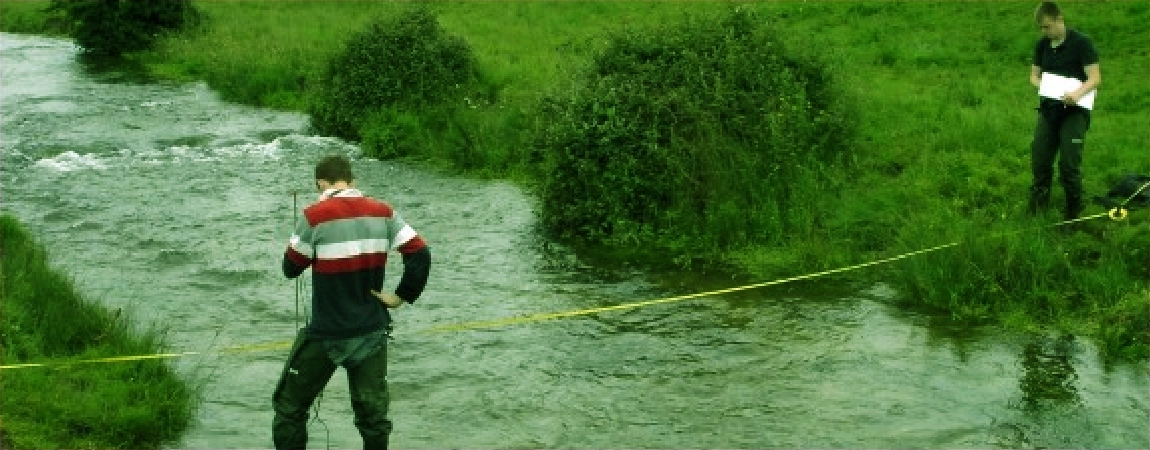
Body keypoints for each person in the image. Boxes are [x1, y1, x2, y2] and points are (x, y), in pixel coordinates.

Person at [274, 154, 431, 450]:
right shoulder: (383, 212)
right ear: (352, 181)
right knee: (374, 419)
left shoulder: (313, 215)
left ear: (320, 183)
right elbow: (420, 254)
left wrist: (302, 237)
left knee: (289, 408)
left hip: (327, 333)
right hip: (371, 331)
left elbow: (290, 268)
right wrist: (401, 296)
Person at [1028, 1, 1100, 221]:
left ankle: (1073, 214)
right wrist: (1044, 86)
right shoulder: (1042, 45)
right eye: (1041, 28)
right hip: (1049, 108)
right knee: (1040, 159)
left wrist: (1076, 95)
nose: (1044, 31)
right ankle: (1037, 211)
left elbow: (1095, 78)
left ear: (1060, 19)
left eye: (1047, 26)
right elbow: (1033, 76)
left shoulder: (1081, 43)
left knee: (1069, 165)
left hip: (1075, 110)